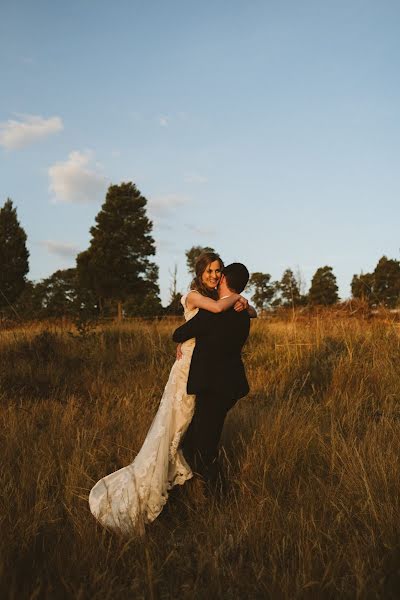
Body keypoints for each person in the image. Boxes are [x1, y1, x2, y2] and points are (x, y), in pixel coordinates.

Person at [88, 252, 253, 535]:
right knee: (178, 429)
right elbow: (207, 315)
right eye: (210, 271)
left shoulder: (228, 306)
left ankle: (185, 482)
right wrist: (237, 300)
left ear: (224, 276)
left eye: (218, 271)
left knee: (189, 432)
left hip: (203, 377)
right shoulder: (197, 298)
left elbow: (204, 325)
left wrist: (243, 303)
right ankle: (169, 481)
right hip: (190, 374)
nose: (214, 275)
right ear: (201, 272)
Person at [173, 263, 251, 484]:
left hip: (213, 388)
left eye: (219, 274)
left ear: (223, 278)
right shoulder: (244, 312)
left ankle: (219, 496)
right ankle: (187, 481)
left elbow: (178, 332)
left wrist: (183, 339)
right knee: (195, 437)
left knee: (205, 448)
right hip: (231, 386)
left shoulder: (210, 314)